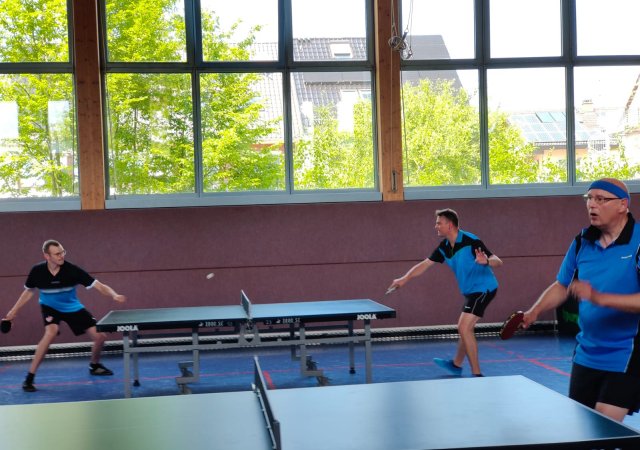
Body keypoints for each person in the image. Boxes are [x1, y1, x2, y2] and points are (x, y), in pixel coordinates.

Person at [522, 178, 640, 422]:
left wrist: (598, 298)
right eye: (589, 198)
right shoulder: (582, 242)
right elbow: (561, 285)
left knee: (604, 425)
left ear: (623, 205)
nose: (592, 205)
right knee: (583, 425)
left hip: (628, 351)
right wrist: (534, 311)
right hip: (587, 351)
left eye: (601, 199)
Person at [388, 208, 502, 377]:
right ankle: (456, 365)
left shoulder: (471, 241)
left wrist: (485, 261)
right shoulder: (444, 247)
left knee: (463, 327)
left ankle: (477, 375)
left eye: (438, 223)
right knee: (466, 329)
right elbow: (425, 264)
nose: (436, 226)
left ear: (450, 225)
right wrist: (404, 278)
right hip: (470, 291)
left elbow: (497, 261)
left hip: (484, 288)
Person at [3, 239, 127, 392]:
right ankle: (29, 378)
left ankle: (94, 365)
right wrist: (13, 311)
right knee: (51, 332)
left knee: (100, 337)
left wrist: (114, 295)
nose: (61, 256)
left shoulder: (72, 270)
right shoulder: (37, 271)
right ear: (47, 256)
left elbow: (99, 285)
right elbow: (29, 291)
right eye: (57, 254)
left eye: (62, 252)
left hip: (72, 307)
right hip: (50, 307)